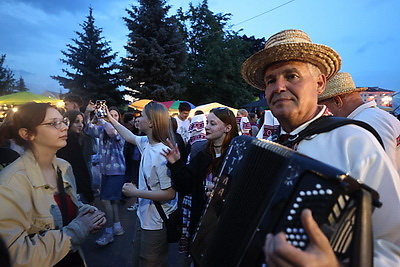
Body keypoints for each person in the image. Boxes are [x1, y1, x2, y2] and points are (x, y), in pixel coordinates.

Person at [241, 29, 400, 266]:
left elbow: (393, 246)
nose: (279, 87)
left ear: (319, 83)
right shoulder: (267, 149)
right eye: (271, 80)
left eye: (292, 76)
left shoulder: (353, 140)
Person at [0, 102, 106, 266]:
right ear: (27, 134)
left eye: (63, 121)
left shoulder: (63, 167)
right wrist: (78, 230)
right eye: (53, 123)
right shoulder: (10, 183)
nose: (64, 127)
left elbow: (69, 205)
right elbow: (14, 254)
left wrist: (87, 213)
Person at [161, 107, 239, 262]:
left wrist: (222, 191)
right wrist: (176, 163)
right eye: (207, 123)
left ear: (228, 128)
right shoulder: (202, 153)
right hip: (201, 224)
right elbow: (186, 186)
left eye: (212, 123)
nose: (207, 127)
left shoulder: (237, 156)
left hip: (225, 227)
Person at [106, 101, 177, 266]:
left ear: (151, 122)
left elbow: (169, 193)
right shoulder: (146, 142)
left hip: (156, 222)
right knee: (139, 259)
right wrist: (110, 119)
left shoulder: (162, 153)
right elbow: (129, 136)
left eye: (142, 115)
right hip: (144, 216)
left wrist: (135, 192)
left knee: (150, 262)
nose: (138, 118)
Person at [319, 72, 400, 174]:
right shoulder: (375, 116)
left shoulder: (364, 124)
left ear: (337, 101)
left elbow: (378, 172)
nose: (323, 112)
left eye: (323, 106)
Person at [84, 104, 126, 246]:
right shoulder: (102, 130)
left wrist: (105, 119)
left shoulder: (120, 131)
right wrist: (87, 113)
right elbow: (88, 129)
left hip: (116, 171)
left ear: (118, 118)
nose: (112, 117)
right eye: (110, 114)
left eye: (115, 115)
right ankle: (117, 226)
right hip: (105, 171)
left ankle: (108, 233)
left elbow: (112, 132)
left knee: (106, 200)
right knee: (112, 201)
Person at [57, 110, 95, 204]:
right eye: (76, 122)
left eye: (82, 122)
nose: (80, 125)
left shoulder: (82, 138)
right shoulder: (69, 140)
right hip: (74, 186)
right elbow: (79, 166)